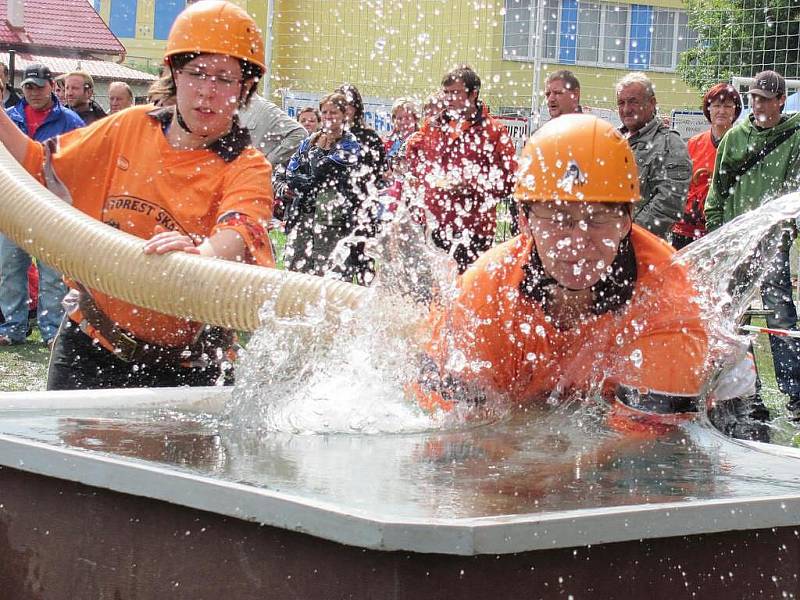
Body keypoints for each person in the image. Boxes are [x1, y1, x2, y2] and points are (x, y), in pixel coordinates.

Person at [412, 114, 764, 437]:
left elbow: (641, 441)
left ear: (627, 221)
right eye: (559, 218)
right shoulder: (481, 294)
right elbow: (459, 431)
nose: (578, 242)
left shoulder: (668, 294)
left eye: (597, 219)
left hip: (719, 393)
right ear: (525, 220)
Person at [0, 0, 274, 388]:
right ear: (174, 74)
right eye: (197, 73)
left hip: (190, 369)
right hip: (91, 346)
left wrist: (202, 257)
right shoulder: (129, 127)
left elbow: (240, 230)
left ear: (245, 87)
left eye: (225, 78)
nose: (209, 92)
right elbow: (33, 165)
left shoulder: (247, 166)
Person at [705, 70, 800, 418]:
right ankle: (727, 387)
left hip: (773, 243)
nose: (758, 103)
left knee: (781, 320)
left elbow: (794, 194)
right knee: (728, 317)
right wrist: (719, 235)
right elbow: (717, 190)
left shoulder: (794, 138)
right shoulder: (735, 138)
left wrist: (783, 235)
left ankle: (794, 395)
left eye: (765, 98)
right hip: (735, 244)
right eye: (755, 97)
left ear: (780, 102)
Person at [0, 63, 84, 348]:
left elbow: (85, 160)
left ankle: (52, 332)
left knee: (52, 274)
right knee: (10, 269)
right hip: (13, 206)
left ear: (52, 86)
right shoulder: (9, 117)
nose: (34, 92)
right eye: (29, 87)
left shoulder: (71, 121)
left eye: (39, 86)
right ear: (22, 89)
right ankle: (12, 328)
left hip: (51, 208)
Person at [406, 65, 517, 273]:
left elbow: (510, 179)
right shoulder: (434, 126)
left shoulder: (493, 131)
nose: (448, 98)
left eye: (455, 93)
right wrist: (423, 177)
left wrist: (472, 185)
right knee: (437, 288)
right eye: (446, 93)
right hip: (436, 221)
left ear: (473, 94)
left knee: (468, 286)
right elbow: (414, 158)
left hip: (475, 227)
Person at [279, 92, 364, 278]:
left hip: (332, 217)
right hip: (303, 212)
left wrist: (307, 177)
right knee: (295, 264)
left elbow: (321, 170)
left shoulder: (350, 144)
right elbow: (291, 172)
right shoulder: (309, 141)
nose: (328, 117)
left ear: (344, 115)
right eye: (324, 112)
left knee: (327, 268)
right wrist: (304, 179)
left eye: (333, 112)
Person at [616, 72, 691, 240]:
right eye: (621, 103)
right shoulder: (612, 141)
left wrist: (628, 236)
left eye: (633, 101)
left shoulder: (669, 144)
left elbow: (669, 204)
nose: (626, 109)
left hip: (643, 248)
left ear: (652, 103)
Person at [671, 83, 742, 249]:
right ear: (708, 109)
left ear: (735, 110)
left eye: (727, 106)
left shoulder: (743, 145)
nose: (722, 111)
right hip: (688, 230)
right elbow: (680, 185)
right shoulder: (694, 144)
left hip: (725, 231)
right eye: (716, 105)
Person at [336, 83, 386, 284]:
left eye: (347, 104)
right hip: (336, 208)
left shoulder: (369, 137)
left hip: (363, 207)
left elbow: (379, 171)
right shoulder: (329, 136)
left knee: (364, 262)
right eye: (340, 104)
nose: (344, 109)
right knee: (338, 265)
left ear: (356, 107)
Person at [238, 92, 306, 168]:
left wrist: (268, 161)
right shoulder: (228, 107)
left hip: (251, 175)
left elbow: (299, 133)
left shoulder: (264, 108)